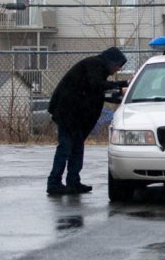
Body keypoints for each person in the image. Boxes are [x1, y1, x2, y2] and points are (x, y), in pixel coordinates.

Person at [46, 46, 128, 195]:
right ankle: (54, 183)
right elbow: (96, 85)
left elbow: (96, 91)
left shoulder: (96, 68)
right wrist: (120, 86)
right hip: (67, 113)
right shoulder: (94, 65)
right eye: (118, 66)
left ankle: (73, 182)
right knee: (65, 148)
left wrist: (121, 88)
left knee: (76, 147)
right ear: (111, 61)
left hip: (73, 115)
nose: (117, 69)